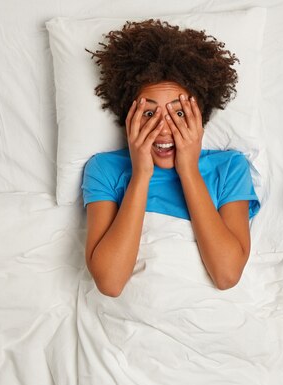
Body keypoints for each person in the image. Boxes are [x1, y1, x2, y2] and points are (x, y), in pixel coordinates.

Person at [82, 20, 260, 297]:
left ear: (200, 118)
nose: (164, 128)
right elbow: (110, 283)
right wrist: (141, 174)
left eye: (179, 113)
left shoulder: (230, 168)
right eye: (149, 114)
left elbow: (226, 275)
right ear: (128, 118)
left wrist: (188, 169)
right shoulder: (104, 169)